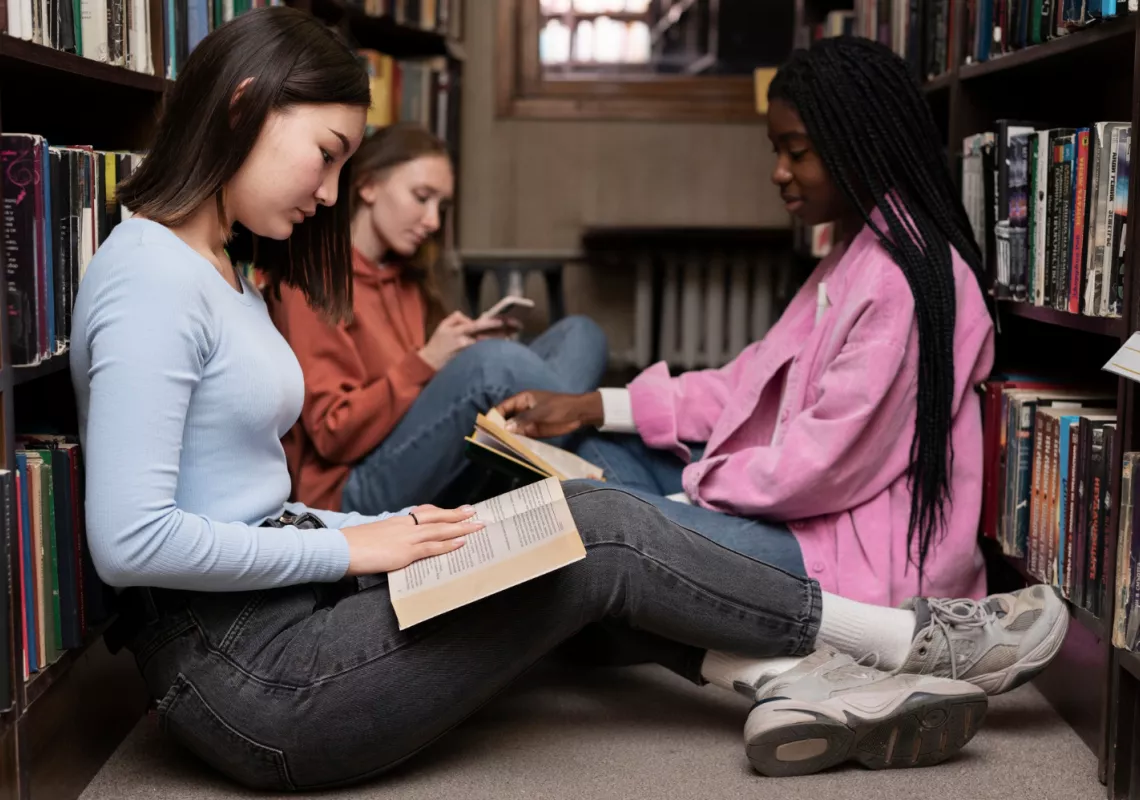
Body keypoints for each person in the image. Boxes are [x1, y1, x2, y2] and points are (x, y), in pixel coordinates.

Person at [70, 13, 1066, 792]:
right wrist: (352, 545)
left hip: (285, 614)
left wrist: (380, 525)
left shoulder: (217, 266)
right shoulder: (149, 276)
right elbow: (132, 542)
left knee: (558, 533)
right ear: (244, 107)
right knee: (599, 528)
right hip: (255, 682)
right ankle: (911, 640)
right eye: (328, 153)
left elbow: (241, 497)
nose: (332, 192)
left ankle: (800, 676)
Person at [498, 35, 995, 611]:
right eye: (775, 151)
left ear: (860, 144)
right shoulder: (859, 250)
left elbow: (821, 467)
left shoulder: (902, 279)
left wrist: (688, 490)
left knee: (603, 523)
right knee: (589, 456)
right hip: (796, 516)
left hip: (850, 561)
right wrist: (592, 405)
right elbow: (746, 383)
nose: (778, 172)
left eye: (797, 151)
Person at [267, 123, 609, 515]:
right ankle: (607, 480)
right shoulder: (312, 285)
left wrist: (461, 348)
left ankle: (559, 462)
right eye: (421, 197)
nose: (432, 221)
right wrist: (431, 360)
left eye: (441, 207)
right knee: (492, 365)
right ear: (368, 186)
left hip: (431, 457)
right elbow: (333, 436)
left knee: (581, 334)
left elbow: (436, 399)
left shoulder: (411, 279)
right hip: (352, 488)